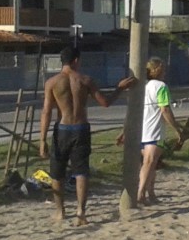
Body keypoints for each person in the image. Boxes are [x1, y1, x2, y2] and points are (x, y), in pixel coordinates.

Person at [38, 45, 136, 225]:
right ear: (76, 60)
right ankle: (81, 212)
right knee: (81, 171)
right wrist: (120, 88)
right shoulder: (85, 80)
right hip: (81, 128)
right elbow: (105, 102)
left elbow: (46, 112)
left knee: (57, 173)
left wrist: (42, 139)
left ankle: (60, 211)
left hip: (62, 129)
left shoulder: (52, 82)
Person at [138, 57, 184, 205]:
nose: (165, 72)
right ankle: (141, 193)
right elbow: (165, 109)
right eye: (162, 69)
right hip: (154, 130)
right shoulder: (161, 87)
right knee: (149, 162)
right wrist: (176, 128)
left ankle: (151, 193)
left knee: (151, 163)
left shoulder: (143, 86)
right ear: (157, 70)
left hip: (142, 130)